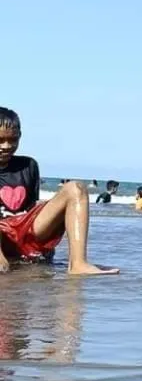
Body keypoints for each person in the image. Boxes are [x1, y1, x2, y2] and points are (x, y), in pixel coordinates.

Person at [0, 108, 117, 274]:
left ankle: (78, 264)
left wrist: (44, 248)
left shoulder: (28, 165)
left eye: (13, 140)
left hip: (23, 226)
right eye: (0, 140)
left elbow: (32, 209)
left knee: (76, 188)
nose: (6, 146)